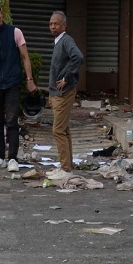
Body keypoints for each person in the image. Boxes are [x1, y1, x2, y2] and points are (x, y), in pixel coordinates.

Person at [0, 3, 36, 171]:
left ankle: (12, 159)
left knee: (12, 121)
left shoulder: (15, 32)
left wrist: (29, 79)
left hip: (13, 82)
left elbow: (25, 57)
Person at [47, 11, 84, 175]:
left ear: (64, 25)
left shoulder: (66, 40)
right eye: (50, 24)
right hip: (57, 93)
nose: (52, 26)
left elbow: (78, 57)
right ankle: (67, 165)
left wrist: (67, 78)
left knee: (58, 130)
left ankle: (65, 168)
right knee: (64, 129)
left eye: (56, 24)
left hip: (63, 93)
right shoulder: (58, 42)